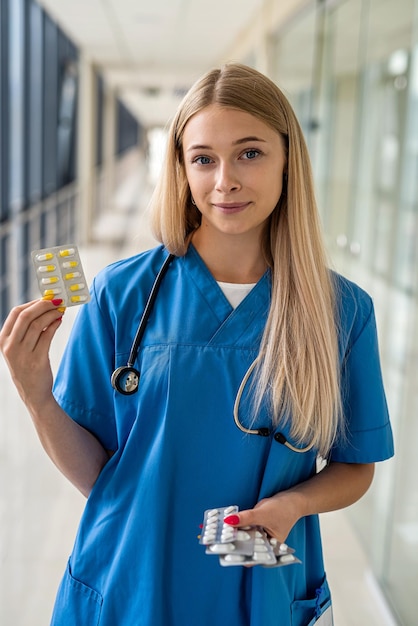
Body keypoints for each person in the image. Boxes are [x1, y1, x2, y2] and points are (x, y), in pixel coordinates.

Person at [0, 63, 394, 626]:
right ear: (182, 168)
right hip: (131, 581)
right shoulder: (121, 292)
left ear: (288, 159)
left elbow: (357, 465)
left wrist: (294, 504)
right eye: (203, 158)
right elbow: (99, 474)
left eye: (250, 153)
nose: (223, 181)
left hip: (259, 592)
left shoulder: (342, 311)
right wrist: (37, 395)